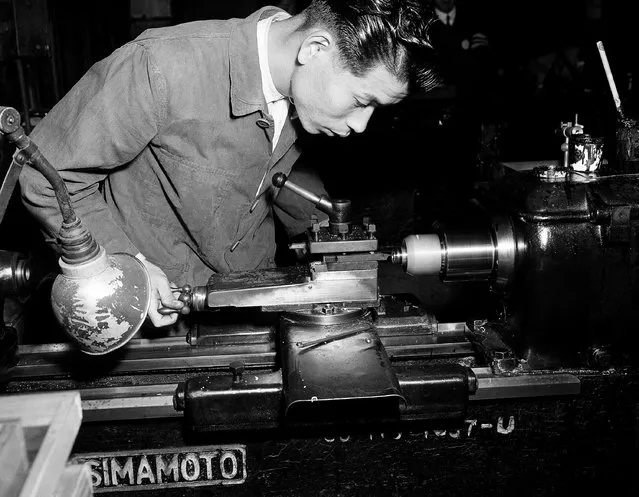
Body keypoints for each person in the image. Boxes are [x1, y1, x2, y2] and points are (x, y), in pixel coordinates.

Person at [18, 0, 440, 329]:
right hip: (161, 320)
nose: (361, 125)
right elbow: (46, 175)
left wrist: (332, 239)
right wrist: (126, 269)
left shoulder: (299, 93)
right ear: (314, 49)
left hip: (251, 309)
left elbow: (267, 170)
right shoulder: (161, 68)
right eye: (362, 101)